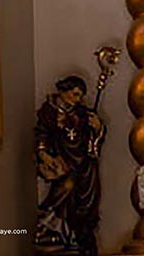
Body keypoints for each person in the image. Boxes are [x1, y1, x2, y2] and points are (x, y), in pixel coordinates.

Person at [34, 75, 106, 256]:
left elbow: (92, 136)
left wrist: (97, 128)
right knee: (66, 188)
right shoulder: (49, 112)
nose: (78, 99)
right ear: (63, 92)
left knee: (84, 203)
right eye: (74, 94)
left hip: (84, 165)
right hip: (63, 163)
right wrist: (43, 154)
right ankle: (49, 223)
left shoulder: (81, 113)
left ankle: (76, 237)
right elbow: (41, 135)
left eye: (80, 96)